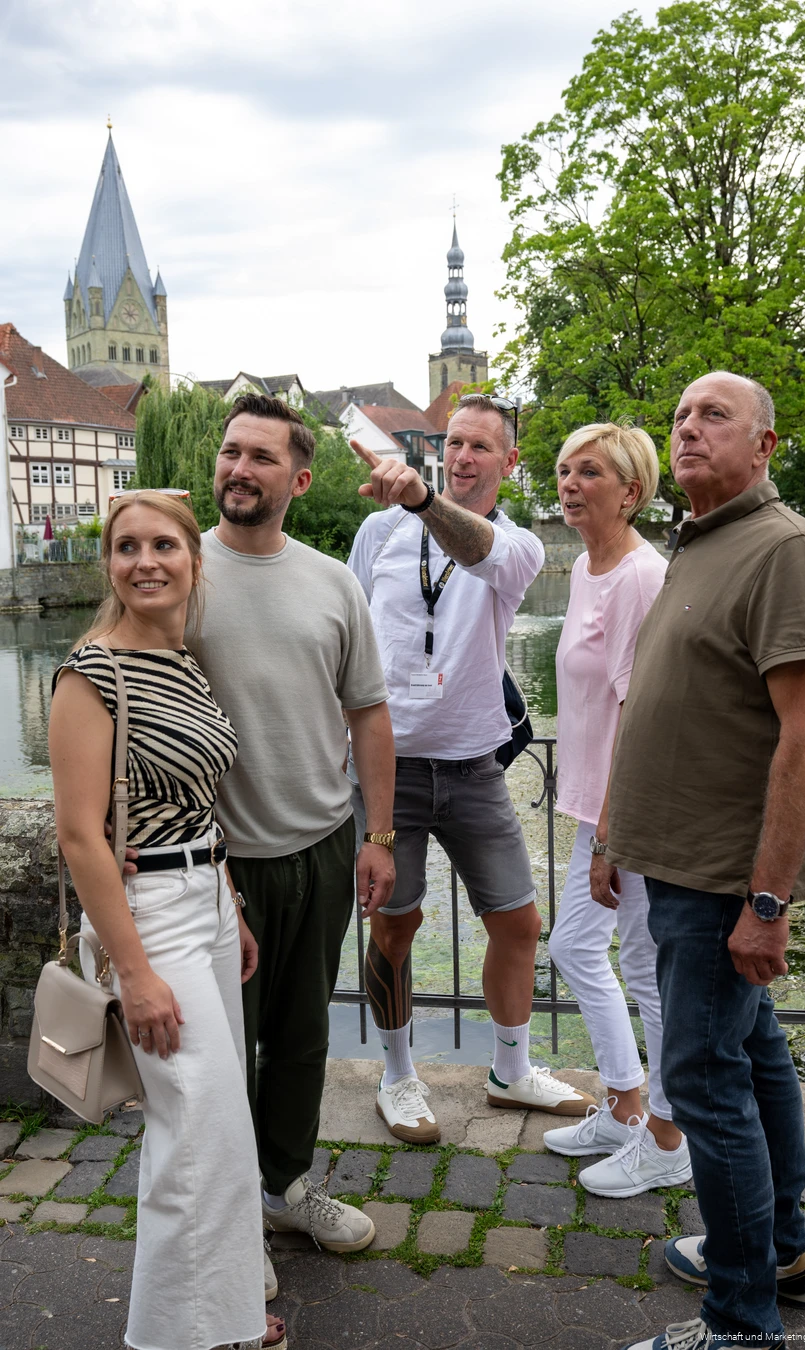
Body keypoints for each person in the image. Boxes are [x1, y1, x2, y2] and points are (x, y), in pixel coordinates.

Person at [606, 373, 805, 1350]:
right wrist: (621, 830)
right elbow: (676, 703)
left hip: (719, 880)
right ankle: (779, 1252)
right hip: (677, 861)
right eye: (681, 417)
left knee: (704, 1083)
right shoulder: (700, 544)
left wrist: (767, 900)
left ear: (766, 444)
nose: (690, 429)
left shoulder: (783, 551)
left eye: (716, 416)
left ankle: (741, 1324)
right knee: (754, 1059)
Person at [49, 491, 284, 1350]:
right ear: (109, 564)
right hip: (146, 916)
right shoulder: (92, 671)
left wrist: (232, 906)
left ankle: (219, 1317)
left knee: (216, 1131)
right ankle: (174, 1335)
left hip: (207, 903)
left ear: (193, 559)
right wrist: (135, 969)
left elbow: (194, 806)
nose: (145, 561)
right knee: (198, 1130)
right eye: (126, 548)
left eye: (163, 545)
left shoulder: (180, 660)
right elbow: (80, 835)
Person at [347, 392, 596, 1145]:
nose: (463, 457)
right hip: (388, 769)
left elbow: (472, 547)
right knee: (395, 926)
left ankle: (510, 1072)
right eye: (454, 443)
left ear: (509, 461)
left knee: (518, 922)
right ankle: (398, 1076)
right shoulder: (378, 532)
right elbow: (350, 638)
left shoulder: (517, 548)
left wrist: (421, 499)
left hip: (474, 766)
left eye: (481, 447)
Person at [188, 395, 396, 1281]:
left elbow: (370, 713)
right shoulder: (175, 565)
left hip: (321, 844)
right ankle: (231, 1218)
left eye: (261, 458)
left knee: (303, 1036)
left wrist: (378, 833)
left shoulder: (331, 580)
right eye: (231, 453)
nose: (240, 469)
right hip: (215, 857)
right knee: (222, 1048)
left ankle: (285, 1186)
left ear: (299, 480)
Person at [542, 423, 691, 1197]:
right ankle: (627, 1103)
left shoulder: (641, 576)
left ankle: (667, 1138)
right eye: (564, 470)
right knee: (575, 946)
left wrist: (612, 829)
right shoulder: (586, 570)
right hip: (595, 805)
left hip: (629, 810)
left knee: (643, 964)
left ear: (631, 491)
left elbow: (640, 708)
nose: (569, 483)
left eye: (588, 471)